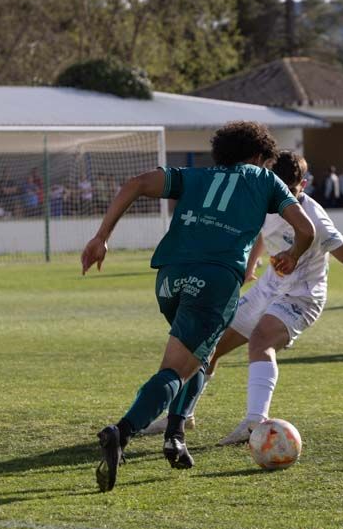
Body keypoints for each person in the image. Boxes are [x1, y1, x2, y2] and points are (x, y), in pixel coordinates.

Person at [80, 121, 315, 492]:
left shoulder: (193, 176)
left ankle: (175, 433)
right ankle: (121, 432)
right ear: (257, 157)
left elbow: (135, 184)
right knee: (177, 368)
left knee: (199, 355)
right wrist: (292, 254)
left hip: (169, 278)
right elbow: (307, 231)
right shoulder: (264, 180)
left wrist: (100, 238)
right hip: (216, 280)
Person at [140, 150, 343, 445]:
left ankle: (255, 423)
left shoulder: (315, 220)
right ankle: (183, 414)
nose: (282, 200)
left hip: (302, 297)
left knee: (261, 341)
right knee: (207, 345)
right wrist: (252, 264)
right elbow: (259, 233)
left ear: (302, 186)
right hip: (267, 290)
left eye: (290, 192)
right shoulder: (262, 197)